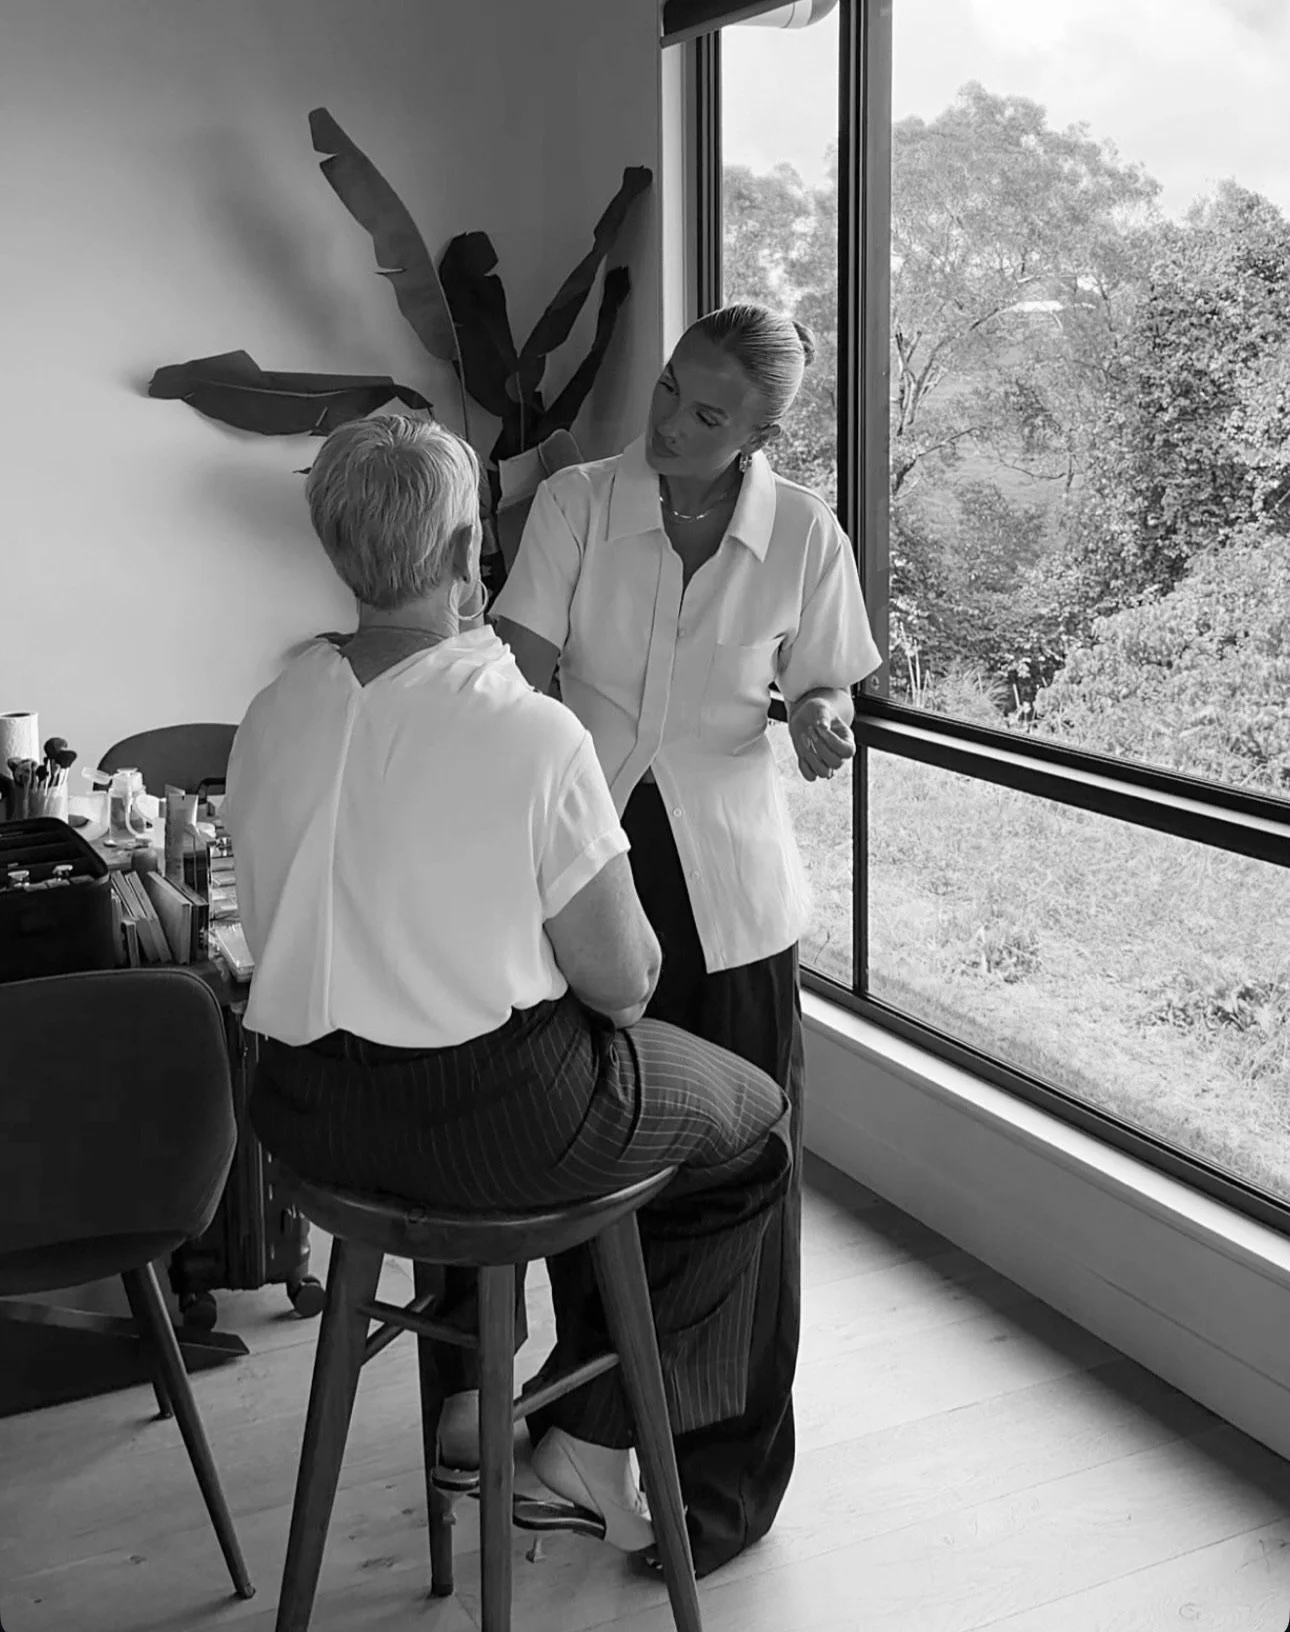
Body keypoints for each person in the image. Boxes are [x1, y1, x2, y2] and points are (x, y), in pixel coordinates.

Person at [221, 414, 792, 1550]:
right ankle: (587, 1438)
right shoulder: (531, 734)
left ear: (341, 550)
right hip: (484, 1124)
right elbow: (625, 981)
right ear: (462, 555)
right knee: (754, 1131)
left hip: (301, 1120)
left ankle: (486, 1403)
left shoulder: (271, 710)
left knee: (558, 1088)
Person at [491, 302, 882, 1577]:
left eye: (706, 413)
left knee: (741, 1198)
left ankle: (714, 1489)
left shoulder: (805, 534)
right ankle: (589, 1438)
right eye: (668, 390)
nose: (667, 421)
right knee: (595, 1169)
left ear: (763, 432)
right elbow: (518, 672)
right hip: (589, 878)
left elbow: (827, 677)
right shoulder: (577, 505)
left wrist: (820, 715)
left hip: (733, 897)